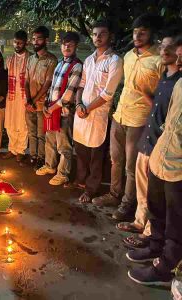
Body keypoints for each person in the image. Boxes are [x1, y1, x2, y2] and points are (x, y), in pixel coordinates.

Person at [92, 14, 164, 222]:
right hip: (120, 115)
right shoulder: (129, 56)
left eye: (143, 31)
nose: (138, 35)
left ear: (152, 34)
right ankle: (114, 195)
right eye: (135, 31)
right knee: (115, 160)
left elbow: (164, 94)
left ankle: (127, 204)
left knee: (131, 167)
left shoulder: (158, 59)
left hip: (139, 120)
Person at [118, 32, 182, 249]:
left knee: (154, 196)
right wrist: (146, 95)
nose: (165, 50)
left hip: (161, 146)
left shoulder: (178, 82)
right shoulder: (165, 77)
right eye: (162, 46)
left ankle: (149, 234)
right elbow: (159, 107)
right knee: (142, 188)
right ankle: (139, 222)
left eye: (171, 47)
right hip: (148, 139)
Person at [127, 65, 182, 287]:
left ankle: (165, 266)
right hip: (162, 155)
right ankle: (154, 246)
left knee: (175, 218)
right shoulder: (179, 82)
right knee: (156, 208)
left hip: (178, 164)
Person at [72, 20, 123, 203]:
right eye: (94, 34)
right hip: (81, 113)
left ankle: (91, 189)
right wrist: (78, 105)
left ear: (110, 36)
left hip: (98, 115)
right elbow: (81, 85)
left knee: (96, 154)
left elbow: (108, 93)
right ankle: (80, 181)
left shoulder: (114, 61)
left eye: (102, 34)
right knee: (81, 150)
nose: (97, 37)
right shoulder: (88, 60)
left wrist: (87, 108)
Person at [37, 32, 82, 186]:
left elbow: (68, 94)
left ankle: (63, 173)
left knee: (64, 145)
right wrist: (46, 105)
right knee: (50, 140)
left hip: (64, 112)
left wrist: (52, 108)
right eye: (64, 44)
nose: (66, 47)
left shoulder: (76, 66)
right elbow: (52, 87)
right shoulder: (59, 64)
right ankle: (50, 166)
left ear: (76, 46)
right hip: (52, 109)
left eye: (70, 44)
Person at [25, 26, 57, 170]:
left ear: (46, 40)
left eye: (39, 38)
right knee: (31, 133)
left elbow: (47, 84)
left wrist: (34, 100)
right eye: (33, 39)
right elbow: (26, 81)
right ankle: (33, 156)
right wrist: (28, 100)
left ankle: (41, 157)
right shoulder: (30, 59)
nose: (35, 41)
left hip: (41, 104)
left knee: (40, 134)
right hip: (29, 104)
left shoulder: (51, 60)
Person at [2, 30, 31, 162]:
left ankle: (21, 150)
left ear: (25, 42)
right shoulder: (9, 59)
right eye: (15, 42)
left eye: (20, 42)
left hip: (24, 96)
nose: (17, 45)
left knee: (23, 124)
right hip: (12, 96)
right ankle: (12, 149)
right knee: (10, 122)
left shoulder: (31, 58)